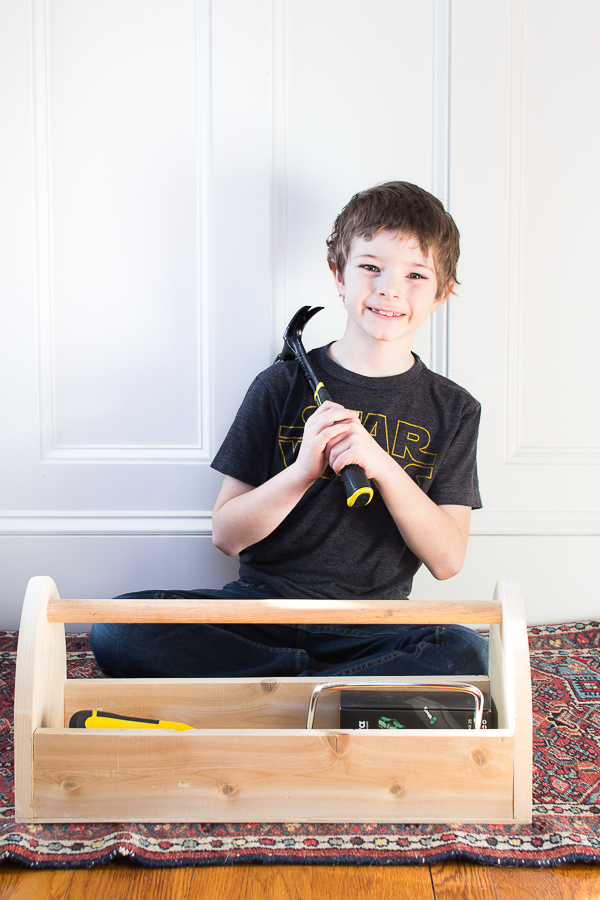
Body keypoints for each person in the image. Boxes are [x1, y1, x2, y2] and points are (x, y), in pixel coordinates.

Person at [90, 181, 488, 679]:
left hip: (374, 628)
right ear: (338, 275)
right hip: (259, 615)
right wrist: (302, 470)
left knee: (467, 652)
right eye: (370, 266)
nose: (389, 288)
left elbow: (447, 560)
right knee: (117, 626)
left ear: (441, 294)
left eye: (415, 275)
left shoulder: (454, 409)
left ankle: (270, 696)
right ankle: (318, 697)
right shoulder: (279, 384)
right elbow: (226, 535)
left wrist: (380, 464)